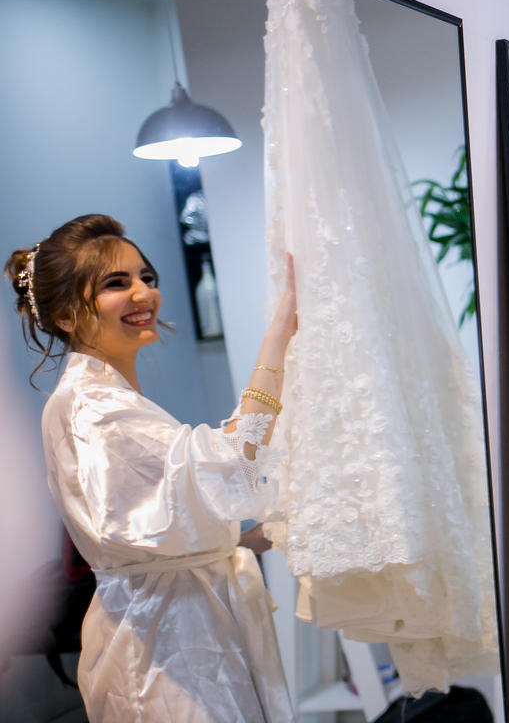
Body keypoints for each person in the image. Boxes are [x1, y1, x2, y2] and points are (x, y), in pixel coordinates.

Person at [5, 214, 298, 722]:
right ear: (66, 315)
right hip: (165, 647)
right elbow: (229, 460)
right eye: (116, 283)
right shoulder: (94, 408)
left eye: (147, 277)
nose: (144, 293)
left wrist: (254, 537)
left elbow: (166, 523)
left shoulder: (103, 397)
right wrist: (277, 339)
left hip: (180, 630)